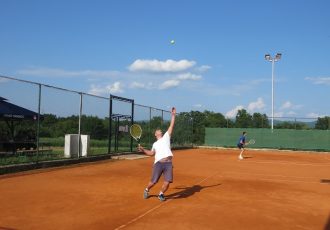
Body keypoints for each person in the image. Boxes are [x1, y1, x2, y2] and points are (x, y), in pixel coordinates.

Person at [138, 107, 176, 202]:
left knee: (167, 182)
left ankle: (161, 194)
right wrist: (143, 150)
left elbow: (171, 126)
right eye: (158, 130)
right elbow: (151, 153)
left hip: (168, 163)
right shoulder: (155, 144)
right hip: (158, 163)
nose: (160, 131)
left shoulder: (166, 137)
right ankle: (147, 190)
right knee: (153, 182)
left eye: (160, 130)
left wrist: (173, 115)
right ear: (156, 134)